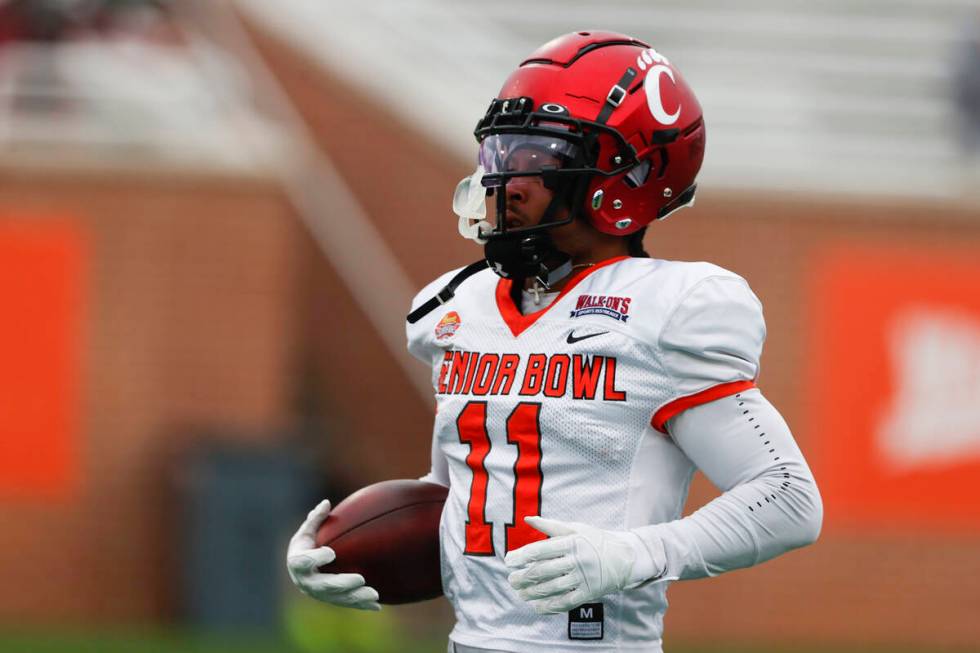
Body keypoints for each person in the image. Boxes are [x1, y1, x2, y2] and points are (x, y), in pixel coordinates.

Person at [287, 31, 822, 653]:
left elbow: (788, 498)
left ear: (633, 174)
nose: (507, 181)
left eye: (538, 157)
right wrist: (344, 550)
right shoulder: (457, 306)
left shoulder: (669, 309)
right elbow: (456, 492)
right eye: (502, 153)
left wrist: (637, 553)